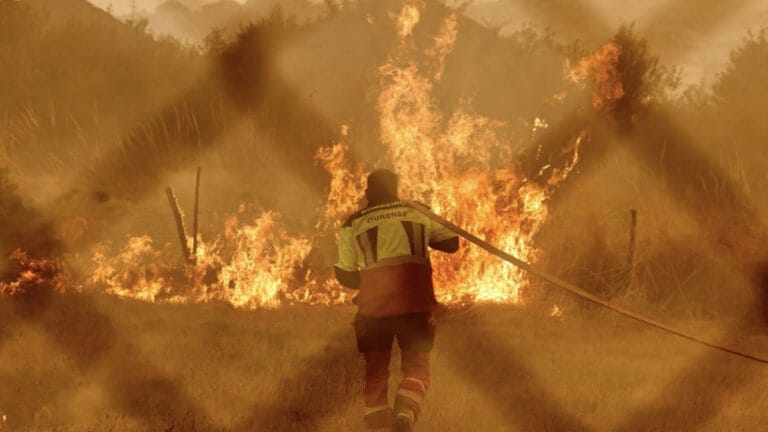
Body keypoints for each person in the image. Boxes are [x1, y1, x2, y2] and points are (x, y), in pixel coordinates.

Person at [334, 169, 459, 431]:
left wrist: (371, 284)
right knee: (416, 367)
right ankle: (404, 413)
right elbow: (451, 243)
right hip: (414, 304)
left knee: (376, 371)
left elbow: (344, 274)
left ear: (368, 192)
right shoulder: (418, 211)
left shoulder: (352, 223)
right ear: (396, 189)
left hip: (374, 309)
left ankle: (380, 427)